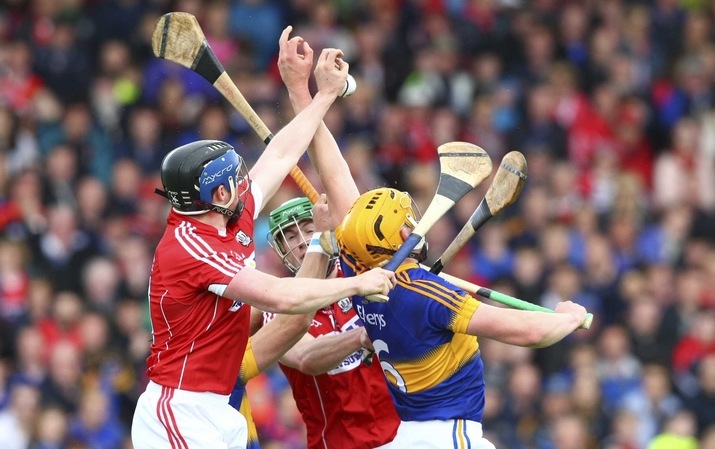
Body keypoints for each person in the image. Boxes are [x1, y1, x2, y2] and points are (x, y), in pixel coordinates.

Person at [129, 46, 396, 449]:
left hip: (219, 407)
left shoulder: (225, 214)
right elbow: (282, 299)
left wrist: (320, 94)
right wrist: (357, 284)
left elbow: (282, 153)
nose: (245, 184)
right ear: (218, 192)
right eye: (235, 180)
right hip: (182, 412)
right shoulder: (192, 248)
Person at [334, 187, 590, 448]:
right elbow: (528, 332)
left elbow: (344, 207)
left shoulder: (359, 281)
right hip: (450, 436)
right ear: (404, 235)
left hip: (407, 436)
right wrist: (568, 318)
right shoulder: (428, 293)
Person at [231, 194, 400, 449]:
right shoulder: (277, 308)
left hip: (403, 436)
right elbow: (305, 357)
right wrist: (360, 337)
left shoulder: (365, 279)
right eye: (290, 237)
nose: (301, 243)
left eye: (310, 230)